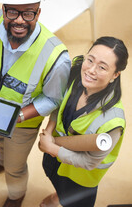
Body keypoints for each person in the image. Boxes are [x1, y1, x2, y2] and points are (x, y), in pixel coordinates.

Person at [0, 0, 71, 207]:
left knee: (16, 168)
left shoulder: (57, 58)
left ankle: (16, 196)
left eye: (28, 13)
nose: (19, 20)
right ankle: (1, 160)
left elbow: (53, 99)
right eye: (13, 11)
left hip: (22, 125)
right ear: (3, 8)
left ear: (39, 12)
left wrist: (21, 115)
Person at [38, 36, 128, 207]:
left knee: (73, 201)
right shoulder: (76, 73)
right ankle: (58, 196)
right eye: (90, 60)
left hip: (80, 177)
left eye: (102, 67)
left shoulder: (113, 121)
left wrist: (52, 148)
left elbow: (89, 162)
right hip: (54, 154)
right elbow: (60, 104)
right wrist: (49, 131)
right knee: (55, 180)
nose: (91, 70)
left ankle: (60, 198)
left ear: (115, 75)